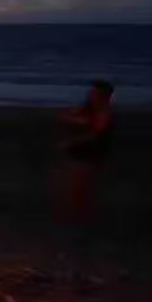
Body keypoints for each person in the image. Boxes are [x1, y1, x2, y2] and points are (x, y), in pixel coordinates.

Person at [58, 79, 114, 220]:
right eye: (92, 92)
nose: (93, 95)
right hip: (79, 150)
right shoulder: (89, 108)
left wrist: (71, 141)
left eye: (96, 93)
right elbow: (71, 116)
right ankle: (75, 210)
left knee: (82, 182)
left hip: (91, 152)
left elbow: (95, 134)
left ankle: (81, 213)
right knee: (74, 181)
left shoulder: (103, 112)